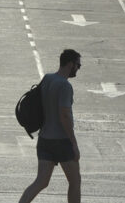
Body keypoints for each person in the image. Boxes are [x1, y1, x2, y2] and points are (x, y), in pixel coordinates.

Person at [19, 49, 82, 203]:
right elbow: (64, 115)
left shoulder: (47, 78)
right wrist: (74, 143)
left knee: (41, 182)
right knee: (75, 181)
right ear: (70, 64)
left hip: (44, 138)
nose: (78, 68)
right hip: (62, 140)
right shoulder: (65, 86)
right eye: (77, 65)